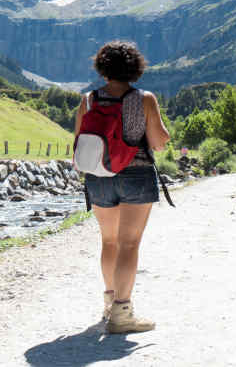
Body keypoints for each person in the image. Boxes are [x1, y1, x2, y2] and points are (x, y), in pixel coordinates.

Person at [75, 41, 170, 334]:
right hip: (136, 174)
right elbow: (158, 141)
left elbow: (78, 142)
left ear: (103, 68)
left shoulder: (88, 100)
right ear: (135, 68)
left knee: (109, 242)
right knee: (129, 244)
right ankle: (122, 313)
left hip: (98, 176)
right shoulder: (143, 98)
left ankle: (109, 303)